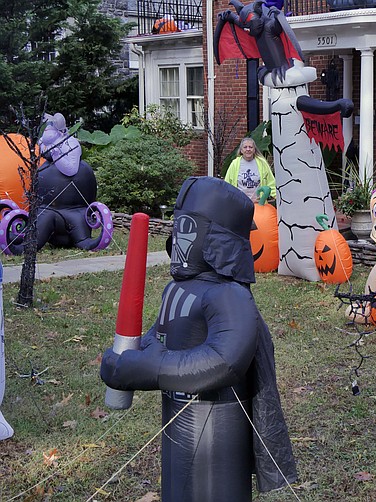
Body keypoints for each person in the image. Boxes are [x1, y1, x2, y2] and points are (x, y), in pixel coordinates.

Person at [100, 177, 296, 501]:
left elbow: (225, 360)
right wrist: (124, 362)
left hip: (218, 425)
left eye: (189, 229)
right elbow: (160, 336)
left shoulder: (229, 296)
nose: (178, 239)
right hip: (177, 421)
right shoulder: (177, 289)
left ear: (215, 238)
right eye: (178, 227)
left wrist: (151, 368)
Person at [224, 138, 276, 202]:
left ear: (254, 150)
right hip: (240, 203)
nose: (248, 149)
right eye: (245, 147)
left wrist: (272, 196)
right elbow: (227, 184)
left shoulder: (262, 163)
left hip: (259, 204)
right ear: (241, 150)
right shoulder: (234, 164)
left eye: (250, 147)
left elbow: (271, 182)